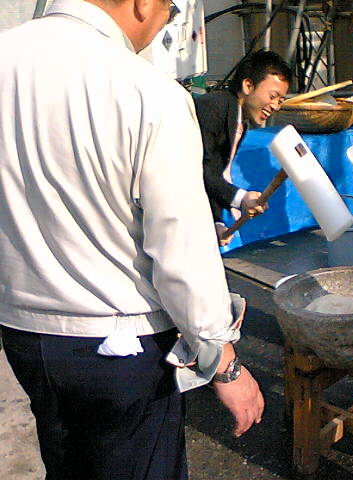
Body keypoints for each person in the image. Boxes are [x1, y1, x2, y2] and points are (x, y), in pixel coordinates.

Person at [0, 0, 263, 478]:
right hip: (118, 343)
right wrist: (223, 361)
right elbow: (181, 247)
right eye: (170, 10)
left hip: (24, 333)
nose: (164, 23)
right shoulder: (148, 91)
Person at [194, 49, 292, 246]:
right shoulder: (213, 108)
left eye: (280, 100)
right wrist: (241, 198)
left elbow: (215, 170)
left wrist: (217, 222)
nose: (276, 106)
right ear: (248, 85)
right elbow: (199, 170)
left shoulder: (239, 121)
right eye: (273, 96)